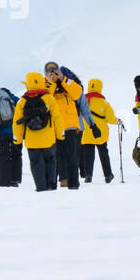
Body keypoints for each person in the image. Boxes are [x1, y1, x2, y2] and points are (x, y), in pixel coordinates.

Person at [13, 71, 65, 191]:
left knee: (36, 164)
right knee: (51, 162)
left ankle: (41, 188)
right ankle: (51, 186)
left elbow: (17, 123)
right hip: (49, 139)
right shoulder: (49, 99)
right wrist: (60, 135)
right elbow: (58, 118)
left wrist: (17, 140)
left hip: (32, 141)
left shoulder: (22, 102)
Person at [44, 61, 85, 189]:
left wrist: (63, 79)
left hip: (70, 125)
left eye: (54, 69)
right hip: (55, 126)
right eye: (49, 70)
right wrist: (50, 82)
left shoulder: (67, 82)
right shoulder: (45, 84)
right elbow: (45, 98)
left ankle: (73, 183)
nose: (52, 71)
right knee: (56, 155)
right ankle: (59, 181)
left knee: (72, 155)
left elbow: (78, 93)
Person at [79, 79, 118, 183]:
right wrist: (117, 121)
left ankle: (88, 175)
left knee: (88, 155)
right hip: (100, 133)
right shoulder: (103, 102)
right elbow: (110, 119)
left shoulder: (84, 100)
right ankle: (108, 175)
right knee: (103, 153)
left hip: (87, 131)